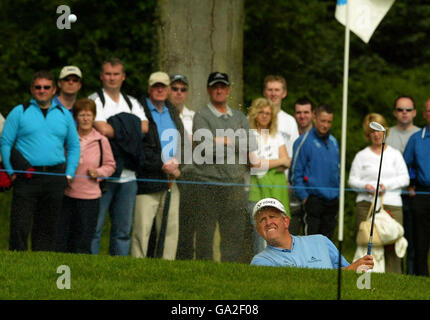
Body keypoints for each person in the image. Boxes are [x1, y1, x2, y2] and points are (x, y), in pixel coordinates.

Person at [0, 70, 80, 252]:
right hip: (25, 176)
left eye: (46, 87)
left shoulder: (64, 114)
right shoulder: (19, 111)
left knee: (47, 225)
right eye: (38, 87)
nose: (42, 90)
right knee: (20, 224)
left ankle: (41, 263)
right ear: (32, 89)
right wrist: (11, 172)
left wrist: (69, 174)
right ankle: (17, 262)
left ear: (53, 90)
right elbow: (5, 143)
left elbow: (74, 146)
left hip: (55, 176)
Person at [191, 72, 257, 262]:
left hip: (234, 185)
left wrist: (224, 139)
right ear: (208, 90)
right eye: (215, 87)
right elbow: (204, 149)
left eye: (222, 87)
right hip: (207, 184)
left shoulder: (239, 116)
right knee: (205, 235)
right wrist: (236, 141)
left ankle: (228, 274)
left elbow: (251, 144)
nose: (219, 90)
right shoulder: (201, 115)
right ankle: (204, 274)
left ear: (228, 90)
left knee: (233, 235)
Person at [89, 58, 149, 256]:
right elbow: (100, 128)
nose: (112, 78)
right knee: (94, 228)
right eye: (108, 74)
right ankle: (89, 265)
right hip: (102, 174)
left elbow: (145, 127)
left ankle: (119, 266)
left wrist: (115, 127)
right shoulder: (95, 100)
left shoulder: (131, 102)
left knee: (123, 231)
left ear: (123, 77)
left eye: (116, 74)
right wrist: (129, 127)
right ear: (101, 76)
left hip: (129, 175)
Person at [131, 71, 185, 260]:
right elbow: (139, 147)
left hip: (171, 179)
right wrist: (162, 164)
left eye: (163, 87)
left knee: (170, 229)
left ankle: (166, 268)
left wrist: (179, 168)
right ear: (149, 89)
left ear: (168, 90)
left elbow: (182, 142)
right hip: (147, 181)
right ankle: (136, 267)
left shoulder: (172, 110)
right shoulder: (138, 110)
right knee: (142, 229)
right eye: (156, 86)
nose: (160, 90)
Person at [348, 113, 409, 274]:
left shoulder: (395, 154)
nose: (376, 134)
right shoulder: (361, 156)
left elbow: (405, 178)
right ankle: (364, 279)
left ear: (385, 131)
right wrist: (365, 186)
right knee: (366, 244)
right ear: (368, 135)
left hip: (391, 204)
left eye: (378, 130)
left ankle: (393, 279)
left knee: (392, 245)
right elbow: (352, 180)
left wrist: (385, 185)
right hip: (366, 205)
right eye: (371, 132)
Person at [56, 98, 116, 254]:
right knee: (63, 236)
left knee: (84, 237)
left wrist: (99, 172)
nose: (85, 119)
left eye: (89, 115)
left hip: (90, 197)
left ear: (94, 117)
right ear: (75, 117)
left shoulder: (101, 140)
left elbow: (111, 165)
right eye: (81, 115)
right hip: (67, 194)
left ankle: (80, 271)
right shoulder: (68, 138)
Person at [250, 198, 374, 271]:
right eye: (262, 220)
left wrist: (359, 266)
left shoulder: (321, 241)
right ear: (258, 229)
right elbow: (298, 286)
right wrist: (350, 270)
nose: (268, 222)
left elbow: (347, 275)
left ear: (286, 221)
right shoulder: (260, 261)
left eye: (272, 216)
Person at [289, 104, 340, 240]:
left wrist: (338, 194)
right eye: (323, 121)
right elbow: (295, 173)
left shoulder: (334, 142)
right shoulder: (303, 142)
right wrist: (305, 197)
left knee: (328, 242)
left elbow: (336, 171)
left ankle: (326, 262)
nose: (326, 125)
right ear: (314, 118)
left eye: (329, 121)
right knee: (311, 241)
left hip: (332, 200)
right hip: (313, 200)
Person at [247, 97, 290, 254]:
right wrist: (278, 162)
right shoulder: (249, 134)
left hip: (277, 187)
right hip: (256, 190)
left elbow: (288, 162)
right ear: (254, 114)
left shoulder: (276, 136)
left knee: (279, 228)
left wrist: (265, 163)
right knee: (261, 232)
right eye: (261, 112)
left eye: (268, 113)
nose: (265, 116)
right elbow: (255, 164)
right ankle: (261, 264)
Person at [386, 95, 420, 275]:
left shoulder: (422, 135)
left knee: (414, 240)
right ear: (394, 113)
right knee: (392, 238)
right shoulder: (386, 135)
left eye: (408, 110)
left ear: (414, 113)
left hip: (414, 196)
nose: (404, 113)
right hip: (391, 196)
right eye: (400, 109)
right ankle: (394, 274)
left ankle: (413, 275)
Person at [263, 75, 300, 237]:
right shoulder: (256, 118)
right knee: (262, 222)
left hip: (282, 180)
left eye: (277, 90)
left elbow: (294, 154)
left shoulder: (290, 121)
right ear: (264, 92)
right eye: (270, 90)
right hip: (260, 179)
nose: (273, 93)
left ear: (284, 93)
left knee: (281, 224)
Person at [168, 74, 197, 260]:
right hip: (165, 172)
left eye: (183, 89)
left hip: (187, 175)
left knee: (187, 221)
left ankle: (185, 259)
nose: (179, 93)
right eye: (175, 88)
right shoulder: (160, 113)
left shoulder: (194, 117)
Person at [403, 99, 430, 276]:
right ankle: (422, 278)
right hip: (422, 193)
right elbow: (405, 166)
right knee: (420, 241)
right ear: (424, 114)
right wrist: (411, 184)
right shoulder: (416, 139)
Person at [289, 97, 314, 235]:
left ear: (312, 114)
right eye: (299, 112)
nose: (302, 116)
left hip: (311, 193)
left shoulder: (318, 137)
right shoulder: (290, 135)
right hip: (291, 190)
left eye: (306, 112)